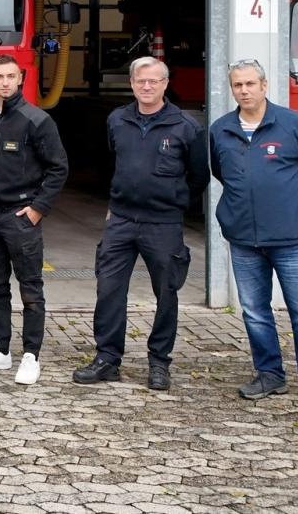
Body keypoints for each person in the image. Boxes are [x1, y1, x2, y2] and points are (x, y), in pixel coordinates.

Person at [209, 58, 298, 415]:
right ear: (231, 89)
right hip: (244, 240)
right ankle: (269, 374)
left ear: (264, 86)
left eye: (250, 84)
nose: (244, 90)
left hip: (293, 238)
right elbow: (222, 174)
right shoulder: (220, 130)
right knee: (254, 311)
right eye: (238, 85)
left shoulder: (295, 125)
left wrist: (292, 208)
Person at [76, 56, 207, 391]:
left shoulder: (185, 126)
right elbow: (110, 162)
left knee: (166, 293)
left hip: (163, 223)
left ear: (165, 84)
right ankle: (107, 358)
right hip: (121, 220)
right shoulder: (117, 120)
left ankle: (159, 362)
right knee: (108, 290)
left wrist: (174, 202)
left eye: (154, 81)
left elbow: (199, 176)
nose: (146, 87)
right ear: (132, 83)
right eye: (140, 81)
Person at [0, 54, 68, 386]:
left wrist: (38, 208)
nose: (5, 82)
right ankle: (0, 349)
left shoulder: (37, 120)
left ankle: (31, 355)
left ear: (21, 78)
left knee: (30, 289)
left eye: (11, 76)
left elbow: (58, 168)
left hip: (21, 216)